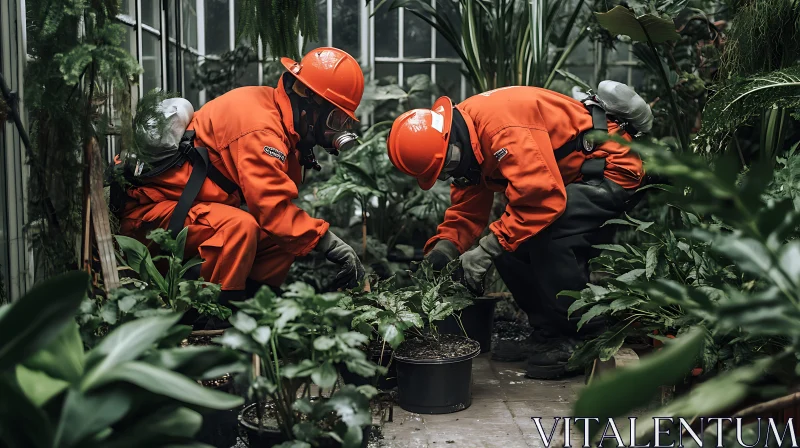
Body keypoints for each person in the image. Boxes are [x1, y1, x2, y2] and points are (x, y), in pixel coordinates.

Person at [386, 82, 652, 379]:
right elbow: (466, 210)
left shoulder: (502, 131)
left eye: (445, 169)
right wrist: (444, 247)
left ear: (449, 149)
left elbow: (543, 203)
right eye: (441, 175)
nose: (448, 176)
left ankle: (584, 337)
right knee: (508, 243)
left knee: (549, 235)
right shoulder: (462, 141)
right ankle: (550, 333)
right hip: (571, 180)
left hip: (614, 169)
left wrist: (485, 249)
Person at [116, 47, 367, 316]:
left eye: (342, 121)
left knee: (278, 239)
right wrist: (331, 245)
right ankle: (212, 316)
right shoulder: (260, 128)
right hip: (148, 218)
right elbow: (273, 211)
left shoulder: (276, 115)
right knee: (240, 227)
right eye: (333, 119)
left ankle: (253, 307)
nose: (333, 131)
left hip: (183, 211)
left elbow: (278, 218)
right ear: (307, 101)